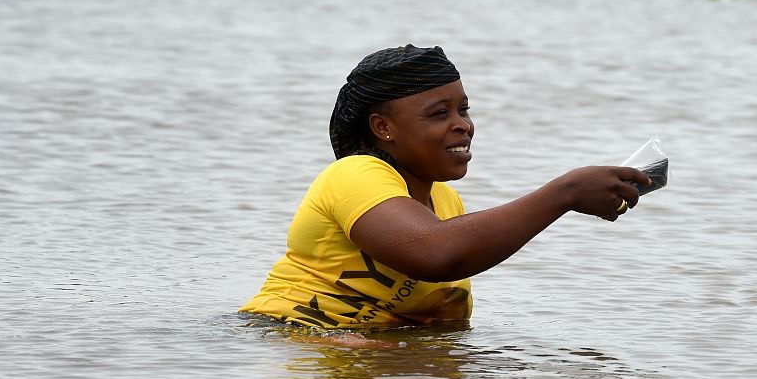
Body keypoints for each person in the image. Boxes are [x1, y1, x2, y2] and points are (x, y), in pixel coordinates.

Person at [239, 44, 650, 328]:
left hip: (364, 352)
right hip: (292, 339)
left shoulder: (445, 203)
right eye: (439, 113)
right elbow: (437, 255)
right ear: (383, 128)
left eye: (463, 108)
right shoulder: (353, 174)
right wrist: (566, 192)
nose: (463, 124)